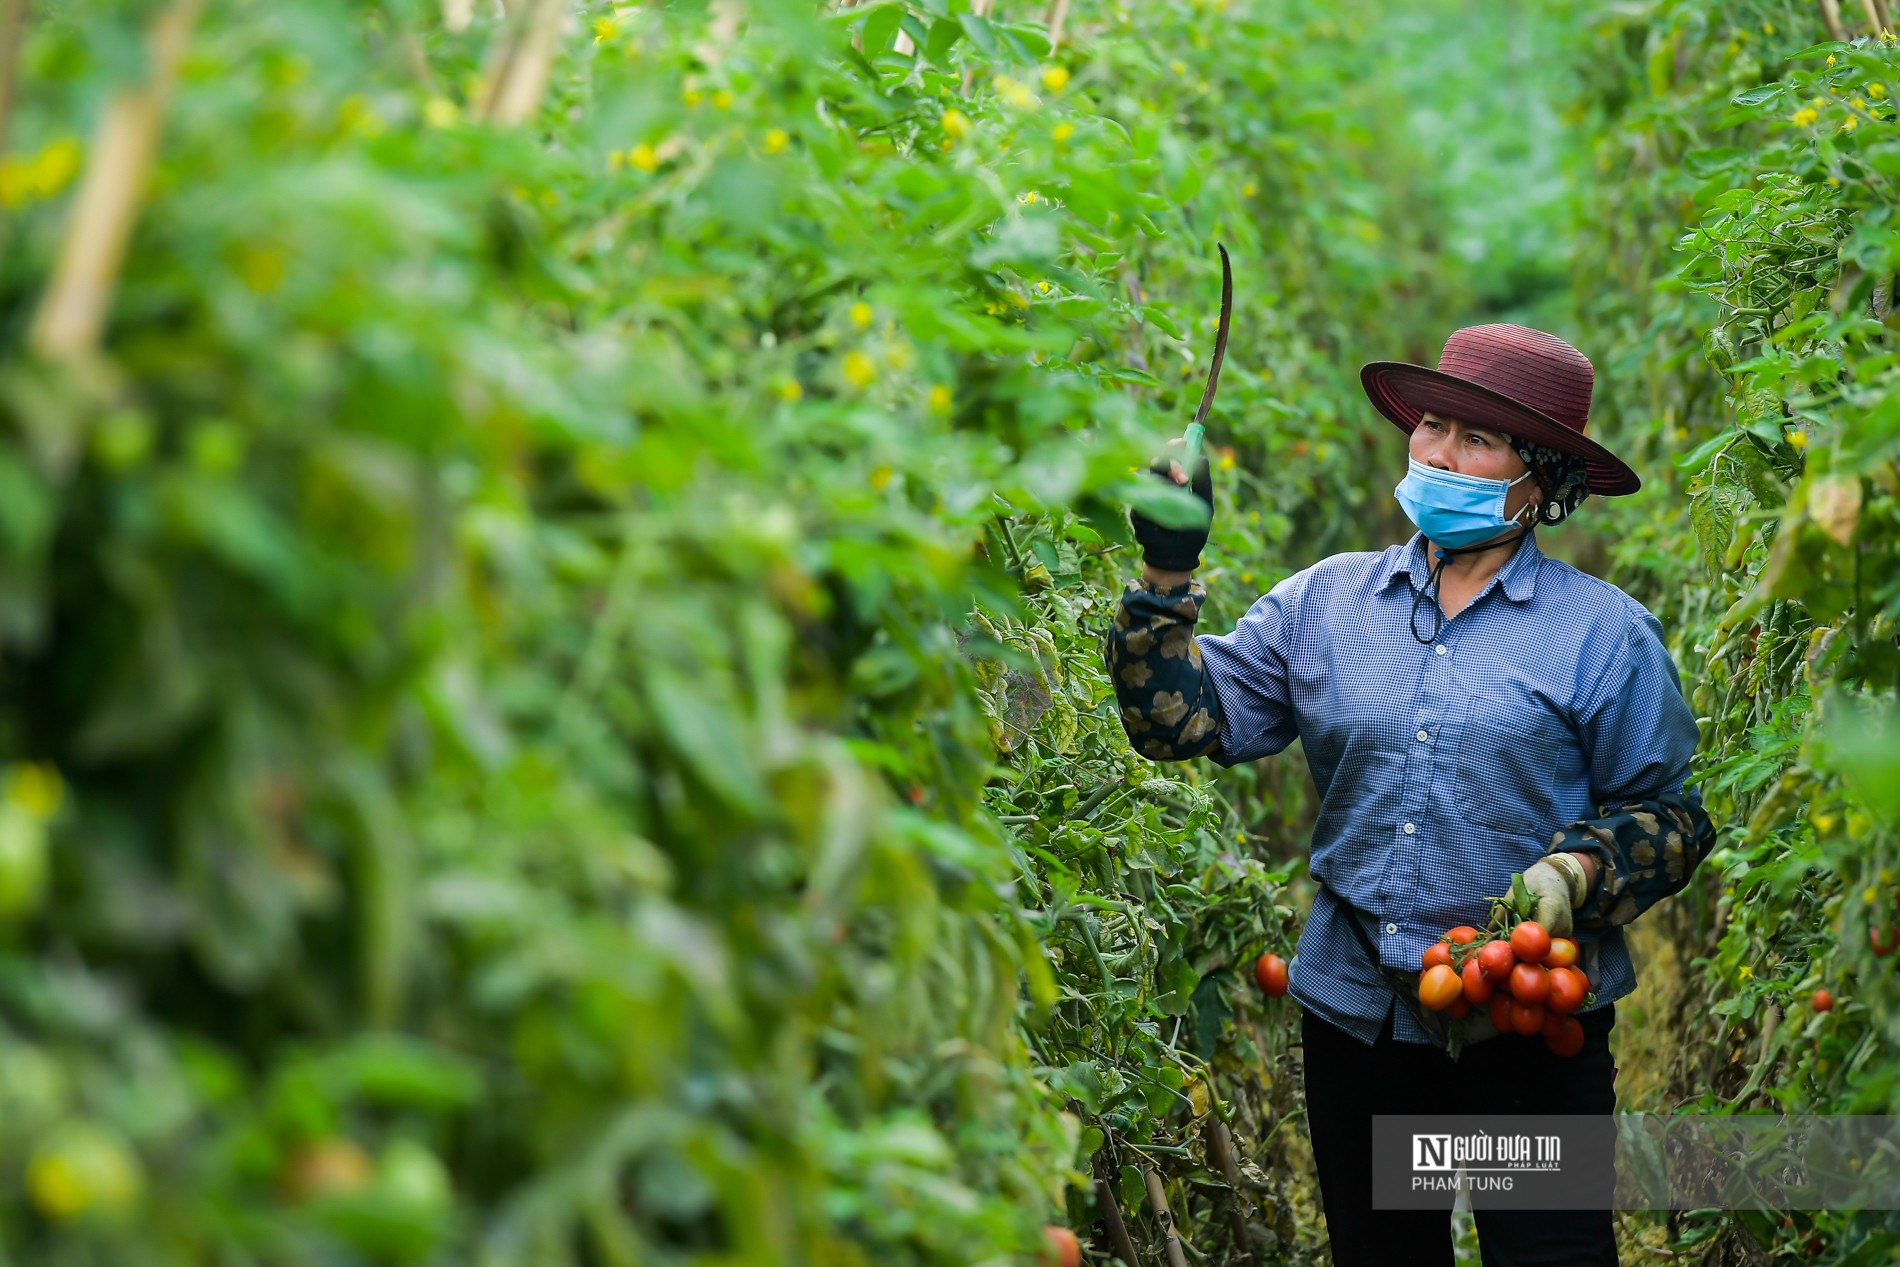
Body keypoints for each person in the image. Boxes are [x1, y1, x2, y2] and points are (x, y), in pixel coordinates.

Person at [1104, 324, 1716, 1267]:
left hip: (1525, 1026)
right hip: (1360, 1017)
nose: (1437, 452)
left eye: (1476, 439)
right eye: (1431, 425)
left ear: (1542, 479)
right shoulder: (1325, 606)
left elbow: (1673, 816)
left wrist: (1574, 875)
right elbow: (1180, 723)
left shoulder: (1605, 637)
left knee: (1547, 1253)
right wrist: (1165, 574)